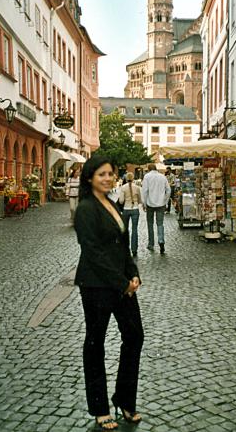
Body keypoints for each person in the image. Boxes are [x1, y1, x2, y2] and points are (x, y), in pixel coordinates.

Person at [74, 155, 144, 430]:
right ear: (90, 177)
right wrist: (122, 282)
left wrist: (134, 273)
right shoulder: (86, 209)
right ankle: (100, 407)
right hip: (96, 286)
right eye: (101, 174)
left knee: (134, 337)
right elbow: (93, 253)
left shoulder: (113, 203)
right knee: (95, 344)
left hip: (122, 284)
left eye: (110, 174)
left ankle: (125, 400)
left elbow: (121, 246)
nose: (107, 178)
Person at [141, 163, 171, 254]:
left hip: (150, 204)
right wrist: (165, 201)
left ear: (149, 169)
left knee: (150, 224)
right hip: (161, 204)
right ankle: (161, 241)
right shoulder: (162, 177)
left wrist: (144, 203)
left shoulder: (147, 177)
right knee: (160, 224)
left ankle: (151, 244)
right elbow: (168, 190)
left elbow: (144, 191)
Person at [119, 172, 142, 258]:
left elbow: (121, 201)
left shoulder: (123, 188)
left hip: (126, 209)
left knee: (125, 230)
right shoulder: (137, 187)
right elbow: (140, 200)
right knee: (134, 230)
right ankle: (134, 249)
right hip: (135, 209)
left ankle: (125, 248)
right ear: (133, 178)